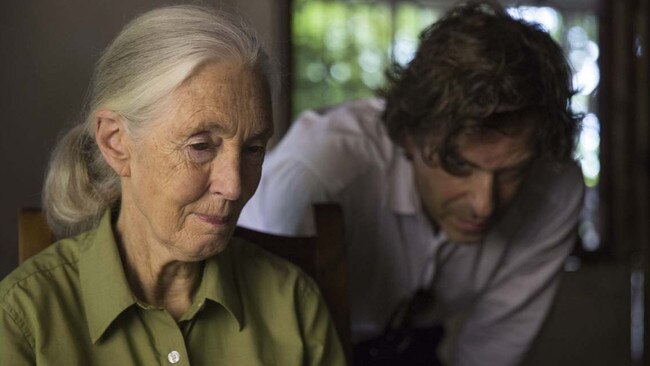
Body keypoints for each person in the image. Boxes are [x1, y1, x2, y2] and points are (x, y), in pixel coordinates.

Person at [238, 1, 585, 365]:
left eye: (513, 172)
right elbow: (255, 334)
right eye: (459, 166)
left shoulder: (554, 189)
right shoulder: (315, 173)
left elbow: (489, 352)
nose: (485, 204)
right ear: (409, 136)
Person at [0, 5, 345, 365]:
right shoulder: (24, 320)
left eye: (253, 149)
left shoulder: (293, 305)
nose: (234, 186)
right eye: (200, 146)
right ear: (116, 142)